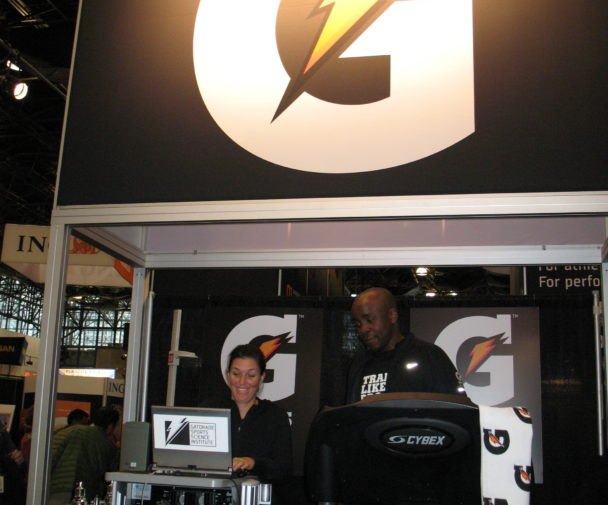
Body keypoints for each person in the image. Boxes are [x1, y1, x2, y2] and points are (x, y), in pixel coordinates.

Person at [346, 287, 464, 403]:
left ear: (392, 315)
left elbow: (458, 406)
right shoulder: (360, 364)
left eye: (369, 320)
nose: (363, 329)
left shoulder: (429, 356)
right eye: (358, 324)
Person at [218, 344, 293, 486]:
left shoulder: (275, 416)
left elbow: (284, 468)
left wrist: (253, 463)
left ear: (262, 377)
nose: (242, 382)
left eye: (251, 375)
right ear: (228, 375)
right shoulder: (211, 410)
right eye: (236, 374)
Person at [49, 405, 119, 505]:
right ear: (110, 427)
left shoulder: (70, 432)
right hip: (82, 493)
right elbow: (108, 475)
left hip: (57, 488)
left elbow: (52, 458)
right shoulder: (107, 444)